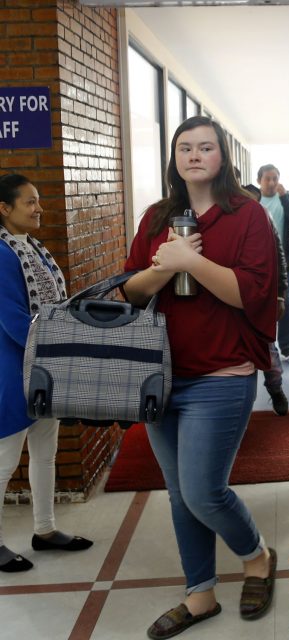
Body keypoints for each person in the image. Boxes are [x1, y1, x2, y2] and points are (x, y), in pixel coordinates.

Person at [123, 116, 279, 638]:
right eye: (184, 148)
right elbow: (132, 291)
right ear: (174, 159)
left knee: (203, 491)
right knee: (179, 493)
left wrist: (189, 261)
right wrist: (165, 267)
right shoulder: (156, 218)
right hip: (160, 375)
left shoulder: (248, 215)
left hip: (222, 374)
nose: (194, 155)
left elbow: (250, 294)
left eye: (205, 147)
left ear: (222, 157)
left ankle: (256, 558)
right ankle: (201, 594)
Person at [0, 174, 93, 573]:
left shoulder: (31, 247)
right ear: (5, 208)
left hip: (43, 367)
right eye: (30, 202)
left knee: (44, 453)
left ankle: (45, 529)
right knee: (4, 461)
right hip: (13, 369)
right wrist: (57, 351)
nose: (39, 208)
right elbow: (13, 319)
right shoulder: (2, 253)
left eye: (38, 200)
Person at [243, 183, 289, 416]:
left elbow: (279, 256)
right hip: (235, 298)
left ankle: (276, 389)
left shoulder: (265, 219)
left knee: (268, 351)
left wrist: (280, 294)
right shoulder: (229, 222)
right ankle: (243, 406)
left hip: (263, 298)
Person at [258, 164, 289, 362]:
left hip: (283, 262)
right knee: (260, 304)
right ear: (259, 180)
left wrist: (285, 197)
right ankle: (263, 345)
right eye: (267, 179)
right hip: (259, 262)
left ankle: (286, 346)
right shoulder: (254, 200)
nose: (271, 183)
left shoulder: (284, 198)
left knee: (286, 303)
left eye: (275, 178)